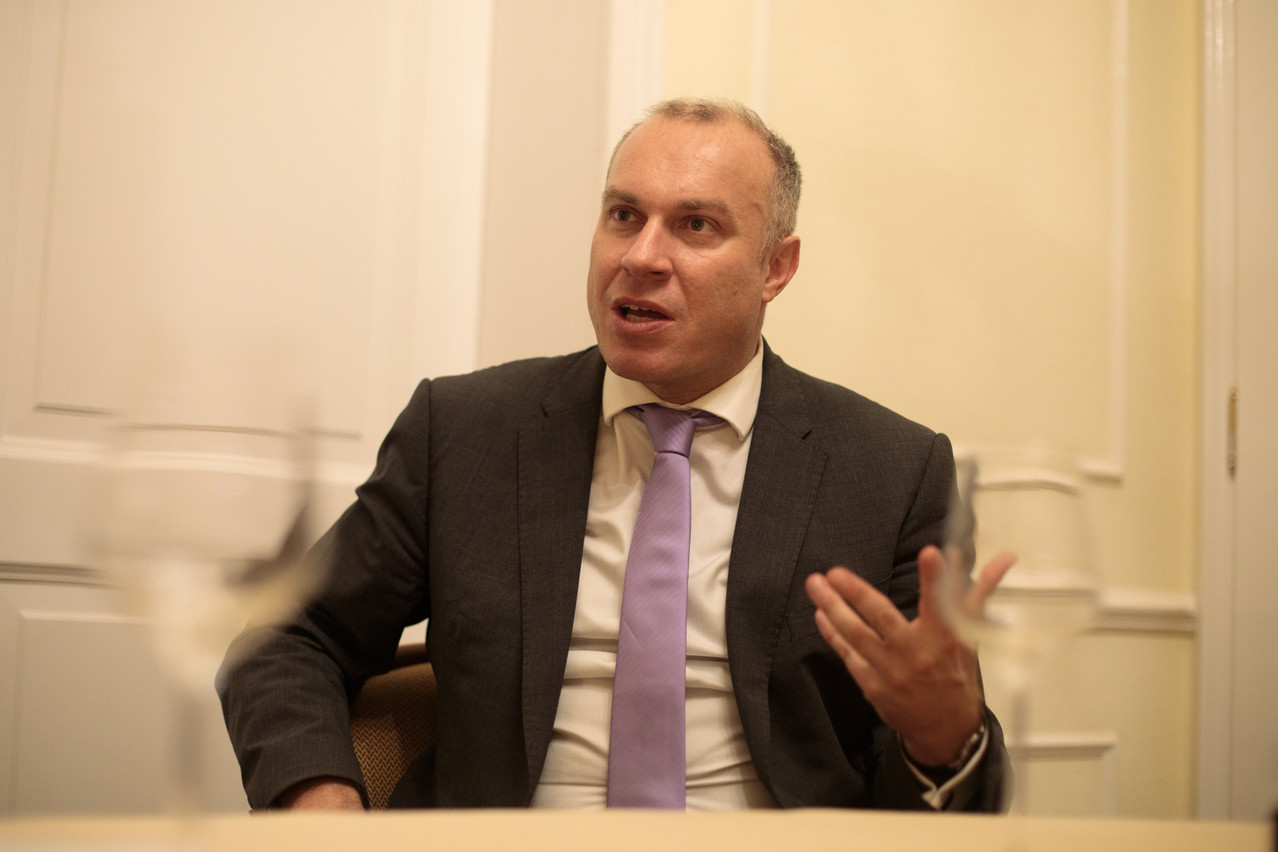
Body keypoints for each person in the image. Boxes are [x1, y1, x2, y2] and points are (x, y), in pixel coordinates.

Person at [219, 97, 1009, 812]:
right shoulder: (465, 432)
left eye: (696, 225)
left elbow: (940, 771)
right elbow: (289, 635)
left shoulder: (891, 471)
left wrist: (945, 738)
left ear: (776, 268)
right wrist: (322, 809)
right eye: (624, 216)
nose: (641, 256)